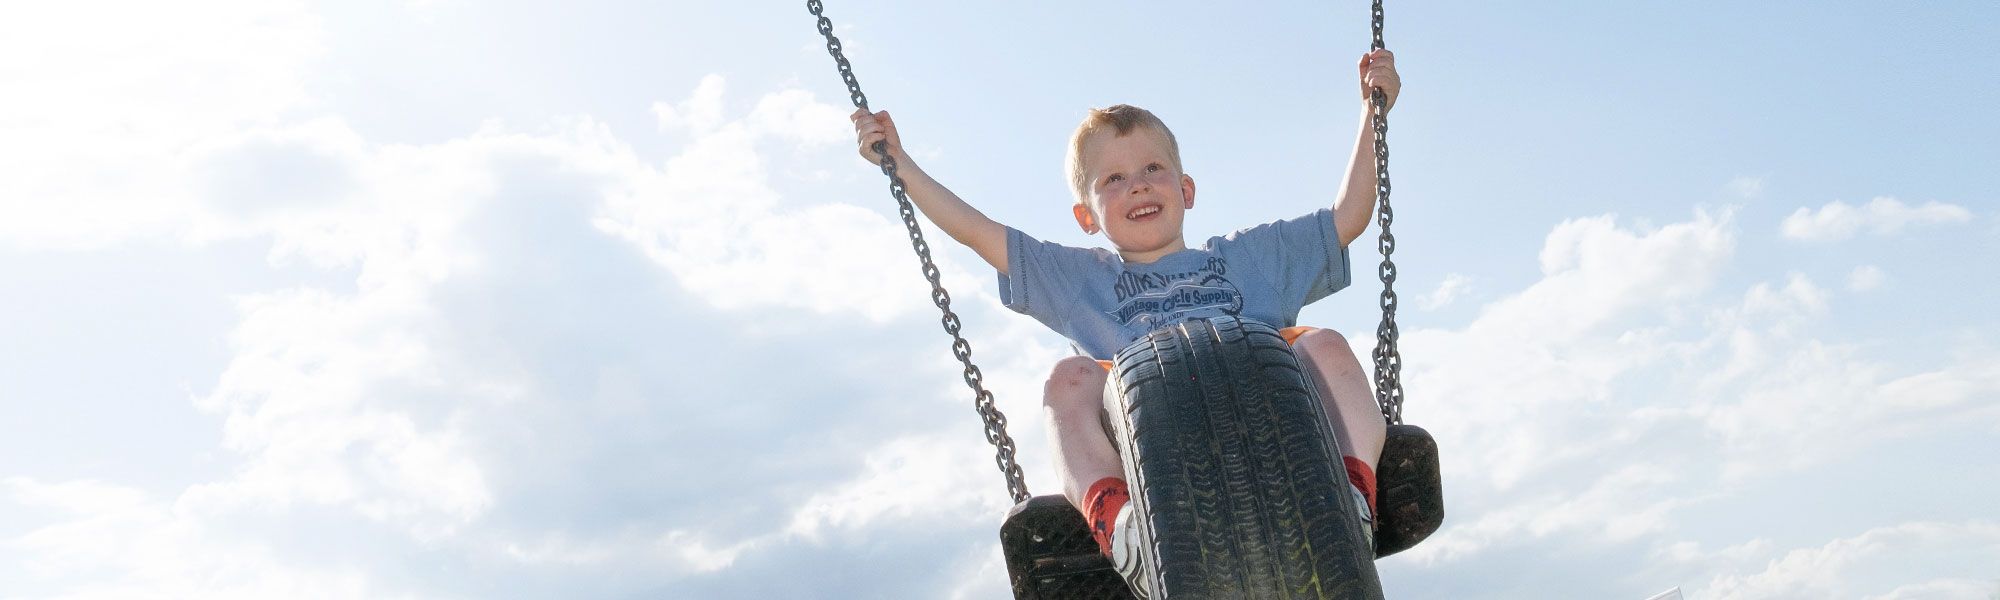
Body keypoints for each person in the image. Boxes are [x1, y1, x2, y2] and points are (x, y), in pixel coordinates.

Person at [852, 49, 1402, 558]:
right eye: (1113, 178)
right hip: (1149, 441)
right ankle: (1119, 527)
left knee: (1325, 344)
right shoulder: (1081, 282)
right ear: (1087, 216)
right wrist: (899, 163)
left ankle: (1350, 498)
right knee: (1068, 379)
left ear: (1186, 190)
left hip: (1263, 412)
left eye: (1152, 169)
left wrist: (1372, 111)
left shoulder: (1251, 260)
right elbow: (978, 233)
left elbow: (1349, 216)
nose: (1138, 186)